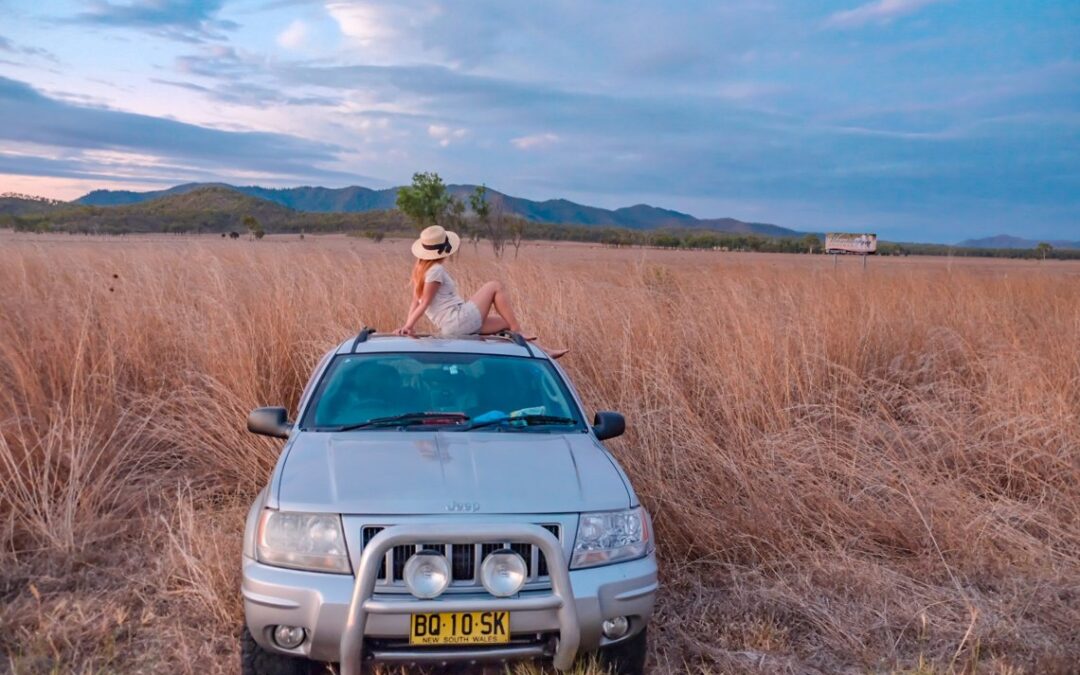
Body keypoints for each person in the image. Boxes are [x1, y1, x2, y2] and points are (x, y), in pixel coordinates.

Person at [394, 225, 568, 358]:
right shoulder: (436, 271)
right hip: (457, 320)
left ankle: (544, 352)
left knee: (505, 321)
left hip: (451, 327)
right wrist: (408, 326)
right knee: (494, 286)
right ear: (444, 251)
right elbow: (423, 302)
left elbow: (415, 302)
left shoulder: (422, 271)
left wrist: (408, 326)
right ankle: (518, 331)